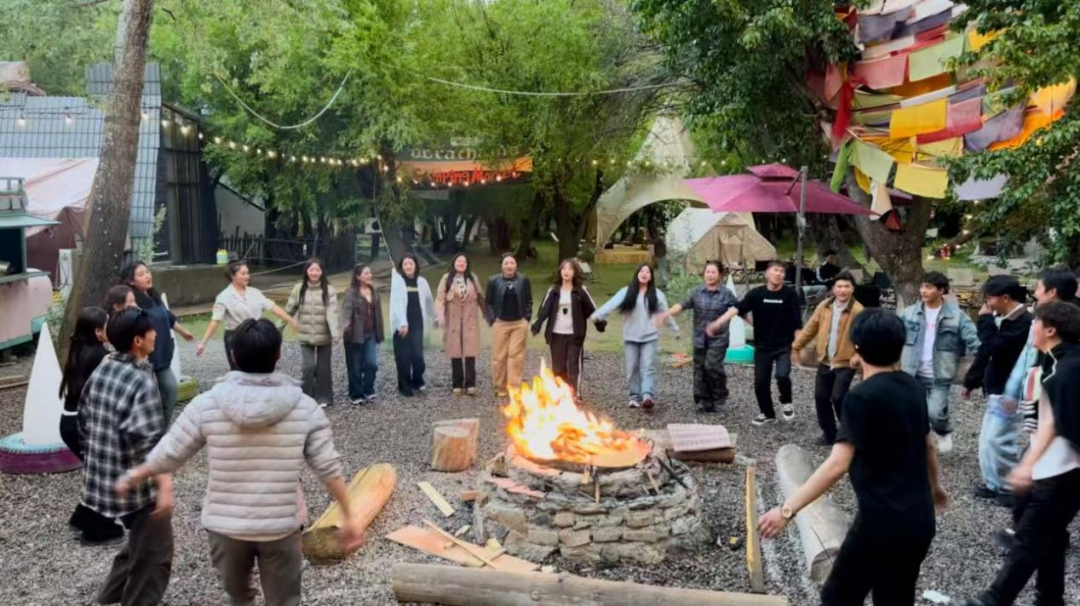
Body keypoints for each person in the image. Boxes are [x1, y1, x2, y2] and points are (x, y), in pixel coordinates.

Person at [115, 319, 365, 606]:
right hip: (280, 526)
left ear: (233, 355)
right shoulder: (304, 408)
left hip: (225, 528)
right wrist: (349, 514)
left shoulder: (207, 404)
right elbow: (328, 467)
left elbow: (170, 451)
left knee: (238, 598)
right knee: (284, 600)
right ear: (278, 355)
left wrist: (134, 476)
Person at [760, 310, 948, 606]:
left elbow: (837, 464)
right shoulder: (913, 387)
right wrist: (935, 488)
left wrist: (786, 510)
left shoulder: (861, 398)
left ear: (856, 349)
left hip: (880, 523)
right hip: (920, 520)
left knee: (838, 597)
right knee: (895, 597)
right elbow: (928, 445)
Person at [962, 301, 1080, 606]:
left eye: (1036, 323)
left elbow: (1053, 425)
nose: (1032, 328)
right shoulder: (1059, 362)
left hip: (1063, 468)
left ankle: (994, 599)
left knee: (1029, 538)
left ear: (1050, 330)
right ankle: (1050, 598)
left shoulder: (1064, 371)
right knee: (1050, 535)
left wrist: (1027, 465)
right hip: (1059, 465)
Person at [78, 308, 173, 605]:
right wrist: (165, 488)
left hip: (101, 480)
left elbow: (83, 417)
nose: (155, 334)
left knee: (140, 541)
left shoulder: (105, 365)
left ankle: (108, 597)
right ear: (138, 341)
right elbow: (151, 444)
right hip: (134, 486)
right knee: (155, 555)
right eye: (151, 331)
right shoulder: (141, 379)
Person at [964, 275, 1033, 507]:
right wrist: (971, 380)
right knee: (986, 440)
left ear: (1005, 297)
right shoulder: (1002, 318)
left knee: (999, 439)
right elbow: (985, 353)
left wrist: (983, 320)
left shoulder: (1023, 322)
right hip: (996, 386)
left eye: (990, 298)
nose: (987, 303)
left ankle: (1010, 487)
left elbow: (994, 347)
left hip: (1011, 390)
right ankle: (993, 483)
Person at [58, 306, 125, 544]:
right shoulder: (100, 356)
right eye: (107, 325)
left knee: (99, 472)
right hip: (82, 424)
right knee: (107, 473)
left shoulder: (81, 350)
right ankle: (96, 530)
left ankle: (81, 519)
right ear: (98, 332)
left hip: (69, 422)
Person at [708, 260, 803, 425]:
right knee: (760, 382)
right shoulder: (757, 293)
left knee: (782, 375)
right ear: (767, 274)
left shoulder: (790, 294)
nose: (778, 274)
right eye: (775, 270)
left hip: (784, 345)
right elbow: (738, 309)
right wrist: (718, 322)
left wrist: (797, 347)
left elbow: (797, 323)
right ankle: (768, 414)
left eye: (781, 271)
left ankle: (786, 401)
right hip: (763, 346)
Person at [899, 271, 981, 454]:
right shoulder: (909, 313)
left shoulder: (957, 316)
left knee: (935, 412)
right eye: (922, 286)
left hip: (940, 374)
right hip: (911, 372)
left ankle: (942, 430)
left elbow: (974, 342)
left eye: (929, 287)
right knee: (911, 412)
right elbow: (892, 334)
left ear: (941, 290)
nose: (923, 290)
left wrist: (984, 364)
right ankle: (918, 445)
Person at [592, 263, 679, 409]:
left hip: (650, 337)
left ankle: (647, 395)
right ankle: (634, 396)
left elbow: (665, 315)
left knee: (648, 367)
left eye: (647, 272)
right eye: (642, 271)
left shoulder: (657, 294)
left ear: (651, 277)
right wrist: (598, 315)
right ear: (637, 274)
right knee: (632, 368)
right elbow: (611, 304)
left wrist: (675, 329)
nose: (644, 274)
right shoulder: (626, 292)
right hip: (630, 337)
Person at [792, 272, 865, 445]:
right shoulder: (824, 306)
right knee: (821, 397)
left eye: (847, 286)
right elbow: (811, 327)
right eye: (839, 286)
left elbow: (864, 335)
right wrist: (796, 346)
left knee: (838, 396)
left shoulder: (858, 310)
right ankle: (829, 434)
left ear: (853, 289)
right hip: (825, 360)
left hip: (846, 362)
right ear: (833, 289)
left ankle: (848, 431)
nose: (843, 290)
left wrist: (858, 354)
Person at [120, 262, 195, 423]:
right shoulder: (133, 302)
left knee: (168, 392)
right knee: (160, 394)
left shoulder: (153, 295)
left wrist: (183, 332)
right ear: (131, 281)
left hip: (162, 354)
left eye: (147, 272)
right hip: (146, 358)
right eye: (141, 274)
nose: (148, 276)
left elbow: (167, 316)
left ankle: (161, 428)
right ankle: (156, 429)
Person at [658, 261, 737, 412]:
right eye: (708, 272)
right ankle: (704, 400)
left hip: (719, 339)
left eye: (713, 272)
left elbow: (739, 308)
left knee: (712, 366)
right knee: (700, 369)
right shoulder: (696, 292)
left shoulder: (726, 293)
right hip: (700, 337)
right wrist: (666, 313)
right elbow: (681, 305)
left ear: (719, 275)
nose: (710, 275)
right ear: (704, 274)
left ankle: (720, 396)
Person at [196, 260, 298, 370]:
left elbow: (272, 307)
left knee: (259, 368)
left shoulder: (255, 292)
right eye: (243, 273)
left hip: (256, 335)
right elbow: (215, 320)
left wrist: (290, 320)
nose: (247, 276)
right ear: (232, 276)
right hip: (235, 336)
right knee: (238, 371)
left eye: (248, 273)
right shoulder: (224, 297)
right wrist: (203, 343)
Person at [531, 258, 604, 395]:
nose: (566, 271)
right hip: (556, 334)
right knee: (558, 367)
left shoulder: (580, 291)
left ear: (574, 272)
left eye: (570, 269)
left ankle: (575, 394)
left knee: (573, 365)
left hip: (574, 335)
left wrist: (600, 323)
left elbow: (592, 309)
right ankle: (562, 394)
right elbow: (544, 310)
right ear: (560, 271)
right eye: (564, 269)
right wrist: (537, 324)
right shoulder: (553, 291)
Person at [282, 258, 340, 407]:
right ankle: (306, 396)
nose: (314, 273)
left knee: (323, 368)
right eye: (311, 270)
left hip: (324, 336)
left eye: (317, 270)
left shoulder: (329, 290)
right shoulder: (298, 288)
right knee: (308, 367)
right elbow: (289, 310)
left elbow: (332, 313)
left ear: (322, 272)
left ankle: (324, 398)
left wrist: (335, 334)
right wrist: (277, 328)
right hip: (305, 335)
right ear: (306, 271)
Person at [436, 254, 486, 396]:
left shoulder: (473, 278)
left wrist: (487, 313)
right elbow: (440, 298)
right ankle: (457, 384)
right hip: (453, 321)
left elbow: (481, 297)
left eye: (464, 261)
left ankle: (470, 384)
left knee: (470, 352)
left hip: (470, 322)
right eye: (459, 261)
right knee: (455, 351)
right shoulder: (446, 278)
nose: (461, 263)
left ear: (467, 264)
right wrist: (440, 315)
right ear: (454, 263)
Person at [485, 253, 533, 397]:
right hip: (500, 323)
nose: (509, 266)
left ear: (516, 265)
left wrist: (526, 318)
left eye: (512, 263)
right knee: (498, 356)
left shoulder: (523, 280)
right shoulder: (493, 281)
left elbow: (529, 300)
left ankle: (514, 387)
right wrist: (493, 319)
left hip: (518, 323)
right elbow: (488, 302)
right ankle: (499, 386)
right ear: (502, 266)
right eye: (506, 263)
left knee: (515, 355)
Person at [390, 253, 436, 397]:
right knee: (403, 357)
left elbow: (428, 301)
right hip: (402, 325)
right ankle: (404, 385)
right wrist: (402, 323)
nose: (408, 266)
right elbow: (397, 304)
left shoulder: (422, 282)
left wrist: (434, 317)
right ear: (402, 267)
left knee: (418, 356)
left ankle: (417, 379)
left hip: (417, 324)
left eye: (411, 263)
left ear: (416, 266)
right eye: (405, 264)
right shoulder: (398, 282)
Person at [340, 264, 384, 405]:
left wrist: (380, 332)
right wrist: (344, 328)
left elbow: (378, 314)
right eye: (366, 273)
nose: (369, 275)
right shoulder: (351, 293)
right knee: (355, 366)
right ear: (358, 276)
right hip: (354, 334)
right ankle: (356, 393)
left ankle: (368, 389)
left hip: (371, 333)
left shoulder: (374, 292)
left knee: (371, 363)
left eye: (370, 273)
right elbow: (346, 313)